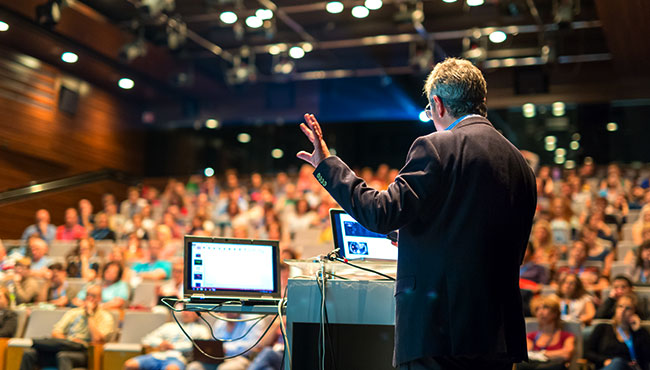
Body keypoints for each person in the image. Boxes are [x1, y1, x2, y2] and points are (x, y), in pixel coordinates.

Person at [296, 57, 537, 369]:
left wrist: (327, 165)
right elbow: (473, 233)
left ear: (437, 104)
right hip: (498, 337)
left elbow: (381, 213)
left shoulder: (438, 146)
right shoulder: (520, 164)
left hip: (438, 333)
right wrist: (410, 235)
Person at [19, 285, 114, 370]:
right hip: (68, 347)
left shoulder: (106, 317)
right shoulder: (74, 312)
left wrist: (90, 315)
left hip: (87, 353)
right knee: (29, 354)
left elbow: (98, 340)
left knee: (63, 356)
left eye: (93, 296)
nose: (89, 299)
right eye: (87, 295)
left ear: (100, 298)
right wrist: (70, 341)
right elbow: (56, 332)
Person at [124, 310, 210, 370]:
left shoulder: (201, 329)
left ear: (197, 314)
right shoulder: (169, 326)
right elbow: (147, 339)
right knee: (130, 364)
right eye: (185, 310)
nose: (186, 313)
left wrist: (173, 347)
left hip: (178, 357)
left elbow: (202, 346)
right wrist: (160, 343)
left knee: (171, 369)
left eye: (190, 311)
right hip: (158, 355)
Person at [585, 293, 650, 370]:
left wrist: (638, 331)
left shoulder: (640, 332)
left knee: (618, 362)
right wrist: (604, 360)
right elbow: (588, 353)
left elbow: (647, 358)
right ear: (615, 309)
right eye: (620, 306)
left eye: (628, 308)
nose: (623, 310)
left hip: (629, 368)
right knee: (616, 362)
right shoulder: (602, 328)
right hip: (607, 367)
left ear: (634, 312)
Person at [519, 295, 575, 370]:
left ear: (555, 313)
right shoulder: (531, 336)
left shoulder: (566, 336)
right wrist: (555, 354)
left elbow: (566, 354)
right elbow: (527, 354)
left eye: (545, 307)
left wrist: (542, 353)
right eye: (537, 309)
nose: (541, 312)